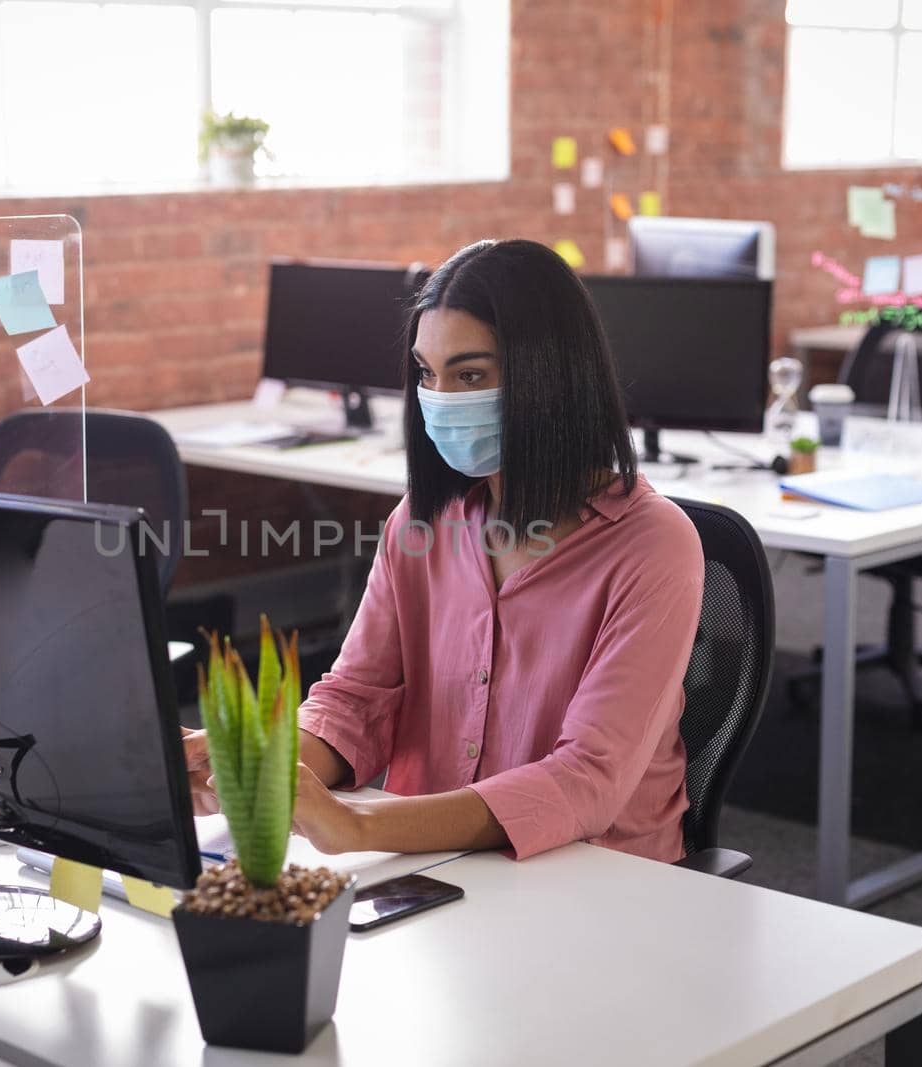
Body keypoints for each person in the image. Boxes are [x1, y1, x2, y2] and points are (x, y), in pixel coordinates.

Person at [185, 238, 704, 862]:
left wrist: (360, 827)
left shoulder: (654, 545)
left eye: (472, 375)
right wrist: (261, 765)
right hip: (436, 858)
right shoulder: (422, 523)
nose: (443, 398)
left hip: (597, 873)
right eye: (427, 374)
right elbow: (354, 699)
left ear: (552, 377)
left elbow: (587, 779)